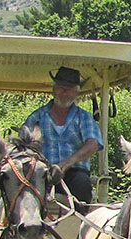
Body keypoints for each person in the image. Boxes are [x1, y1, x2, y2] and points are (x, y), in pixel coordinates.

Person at [23, 66, 103, 212]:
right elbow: (23, 142)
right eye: (61, 88)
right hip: (42, 172)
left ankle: (81, 227)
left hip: (74, 172)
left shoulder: (83, 117)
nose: (65, 92)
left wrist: (67, 163)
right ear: (53, 89)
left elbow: (93, 144)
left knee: (82, 183)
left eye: (70, 88)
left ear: (76, 92)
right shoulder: (38, 117)